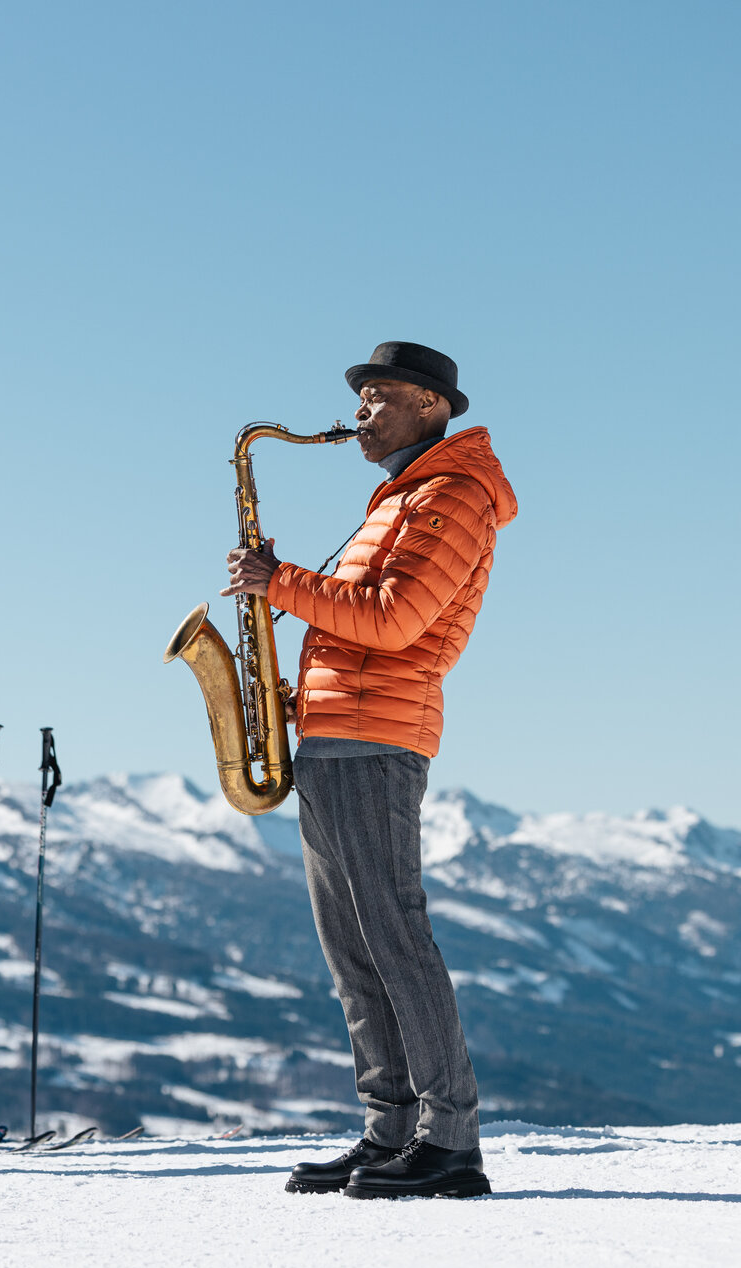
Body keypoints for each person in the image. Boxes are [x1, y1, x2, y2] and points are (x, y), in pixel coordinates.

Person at [223, 342, 517, 1199]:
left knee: (395, 940)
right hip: (337, 736)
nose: (360, 414)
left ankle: (450, 1143)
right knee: (353, 952)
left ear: (430, 404)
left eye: (377, 397)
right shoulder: (400, 499)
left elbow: (396, 621)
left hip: (376, 743)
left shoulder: (450, 496)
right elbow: (361, 629)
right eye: (360, 399)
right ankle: (390, 1132)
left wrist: (279, 582)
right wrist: (298, 690)